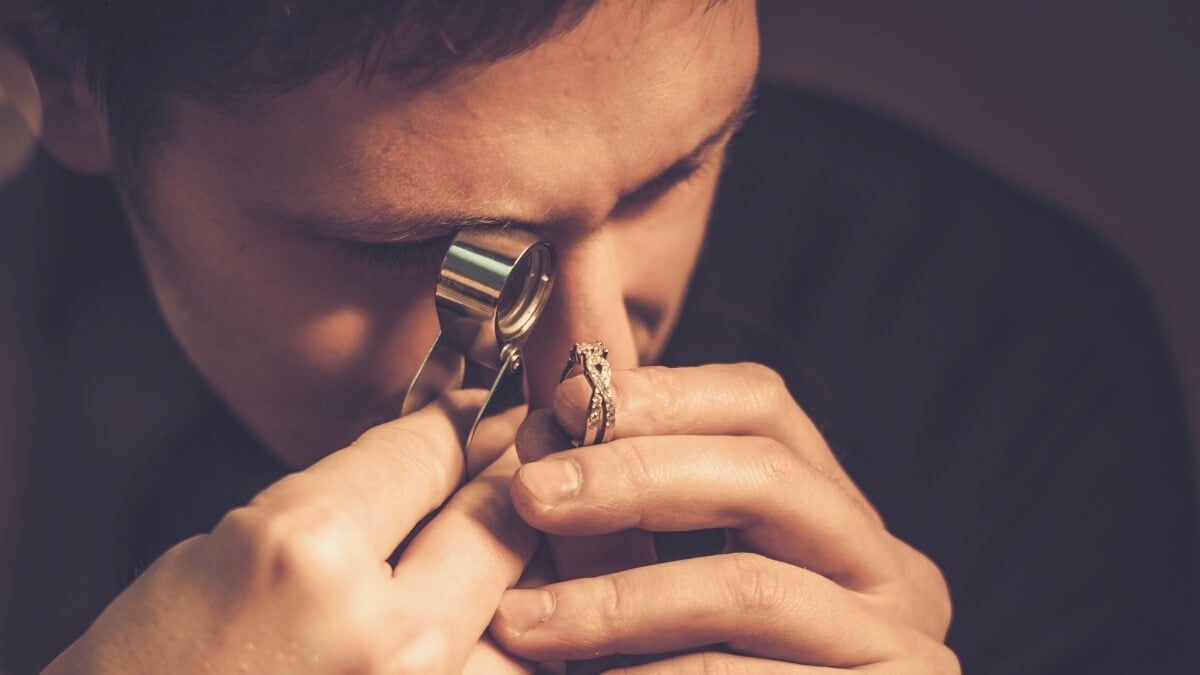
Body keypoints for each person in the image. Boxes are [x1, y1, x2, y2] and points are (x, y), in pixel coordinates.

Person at [2, 0, 1197, 672]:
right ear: (67, 85)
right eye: (418, 247)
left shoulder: (1015, 357)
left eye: (675, 173)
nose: (594, 367)